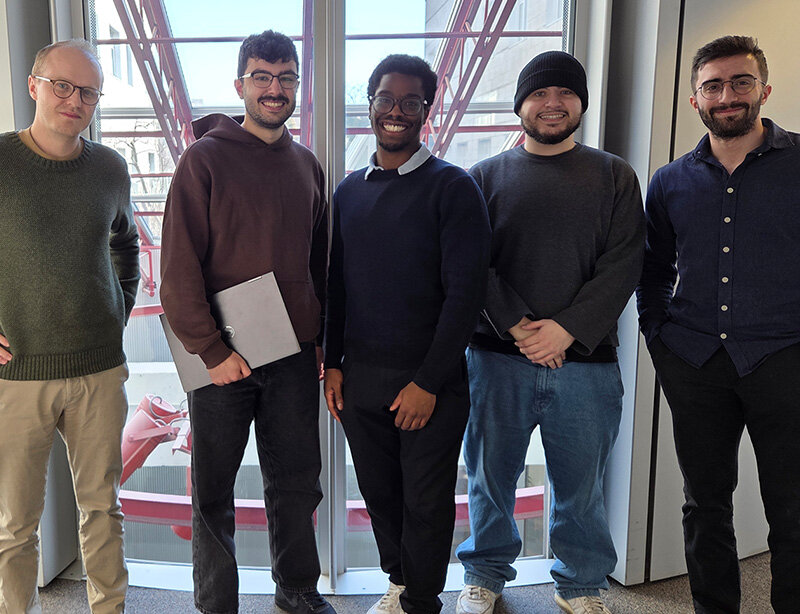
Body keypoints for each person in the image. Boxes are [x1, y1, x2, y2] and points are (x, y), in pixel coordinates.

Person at [454, 51, 645, 614]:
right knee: (489, 476)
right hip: (495, 357)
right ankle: (484, 574)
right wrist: (517, 325)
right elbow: (471, 264)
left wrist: (565, 329)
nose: (553, 103)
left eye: (565, 93)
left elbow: (625, 262)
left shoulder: (614, 175)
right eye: (540, 93)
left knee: (581, 484)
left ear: (581, 103)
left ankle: (582, 584)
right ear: (522, 105)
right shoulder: (484, 177)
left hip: (586, 362)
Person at [160, 30, 333, 614]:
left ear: (297, 89)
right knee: (213, 491)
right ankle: (217, 605)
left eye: (286, 78)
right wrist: (211, 350)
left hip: (291, 355)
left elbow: (319, 263)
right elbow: (178, 265)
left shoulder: (308, 166)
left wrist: (318, 340)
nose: (275, 88)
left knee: (296, 482)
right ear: (240, 85)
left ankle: (298, 592)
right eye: (262, 76)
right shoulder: (203, 159)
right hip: (221, 358)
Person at [636, 35, 800, 614]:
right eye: (713, 86)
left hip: (785, 361)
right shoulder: (669, 181)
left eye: (740, 82)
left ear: (764, 89)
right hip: (696, 362)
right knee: (704, 504)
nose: (726, 96)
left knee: (792, 506)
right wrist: (660, 339)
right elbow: (652, 269)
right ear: (694, 99)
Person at [323, 54, 490, 614]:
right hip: (362, 381)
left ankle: (422, 600)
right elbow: (336, 287)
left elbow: (464, 297)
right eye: (385, 99)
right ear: (370, 104)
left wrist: (428, 382)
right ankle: (398, 583)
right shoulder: (349, 191)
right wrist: (334, 364)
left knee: (425, 499)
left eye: (410, 102)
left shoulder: (453, 189)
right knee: (380, 495)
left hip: (430, 382)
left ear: (426, 110)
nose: (396, 112)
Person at [0, 39, 139, 614]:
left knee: (103, 510)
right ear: (34, 85)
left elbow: (125, 244)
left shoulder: (110, 167)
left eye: (88, 92)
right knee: (14, 524)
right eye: (62, 85)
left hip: (99, 370)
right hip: (18, 373)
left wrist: (118, 309)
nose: (75, 99)